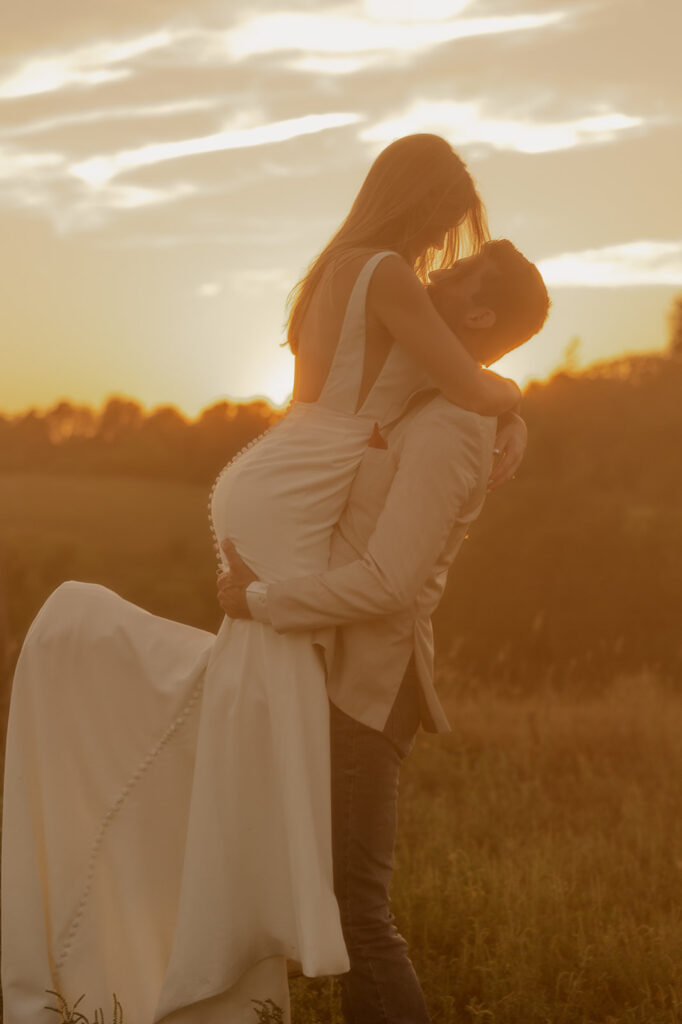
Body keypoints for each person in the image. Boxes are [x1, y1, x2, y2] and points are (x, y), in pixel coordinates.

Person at [1, 135, 521, 1024]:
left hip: (279, 466)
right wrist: (518, 408)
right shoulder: (389, 271)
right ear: (418, 201)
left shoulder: (330, 269)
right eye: (443, 223)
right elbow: (468, 388)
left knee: (242, 711)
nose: (442, 248)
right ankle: (228, 916)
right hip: (304, 481)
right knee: (261, 711)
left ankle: (216, 908)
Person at [217, 239, 550, 1023]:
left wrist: (260, 599)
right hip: (342, 673)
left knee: (357, 913)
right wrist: (513, 401)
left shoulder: (448, 428)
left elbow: (388, 582)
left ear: (477, 313)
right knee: (338, 907)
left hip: (371, 689)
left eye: (460, 272)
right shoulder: (438, 398)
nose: (434, 270)